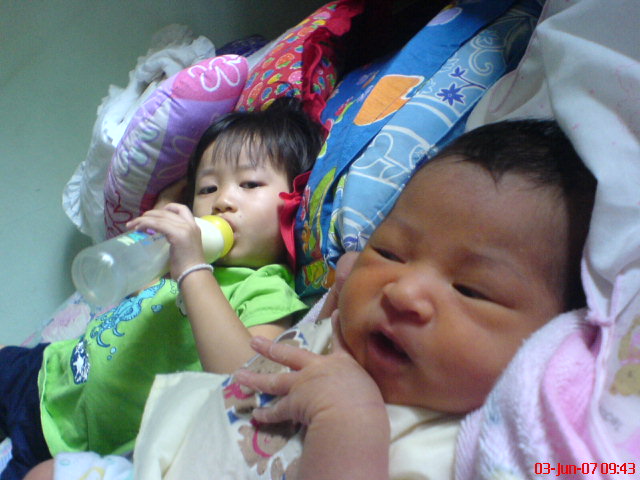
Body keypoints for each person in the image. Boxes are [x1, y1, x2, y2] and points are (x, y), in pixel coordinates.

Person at [25, 119, 597, 480]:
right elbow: (346, 271)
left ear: (551, 341)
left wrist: (349, 420)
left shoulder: (446, 446)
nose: (402, 290)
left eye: (471, 290)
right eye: (392, 252)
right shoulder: (348, 310)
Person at [0, 97, 324, 480]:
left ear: (294, 205)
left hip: (73, 443)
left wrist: (193, 268)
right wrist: (154, 242)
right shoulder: (177, 256)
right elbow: (144, 297)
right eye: (207, 188)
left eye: (249, 184)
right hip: (49, 374)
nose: (222, 201)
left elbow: (244, 379)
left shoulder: (265, 287)